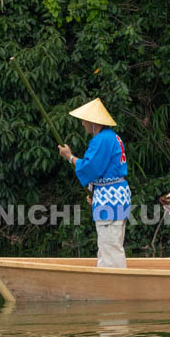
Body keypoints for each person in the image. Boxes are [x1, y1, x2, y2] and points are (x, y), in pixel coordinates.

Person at [57, 98, 131, 268]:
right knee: (110, 245)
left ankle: (115, 284)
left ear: (93, 122)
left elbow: (91, 167)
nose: (82, 124)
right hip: (115, 195)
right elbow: (104, 170)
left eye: (84, 120)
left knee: (110, 246)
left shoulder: (102, 139)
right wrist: (96, 193)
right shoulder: (113, 137)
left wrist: (70, 157)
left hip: (111, 199)